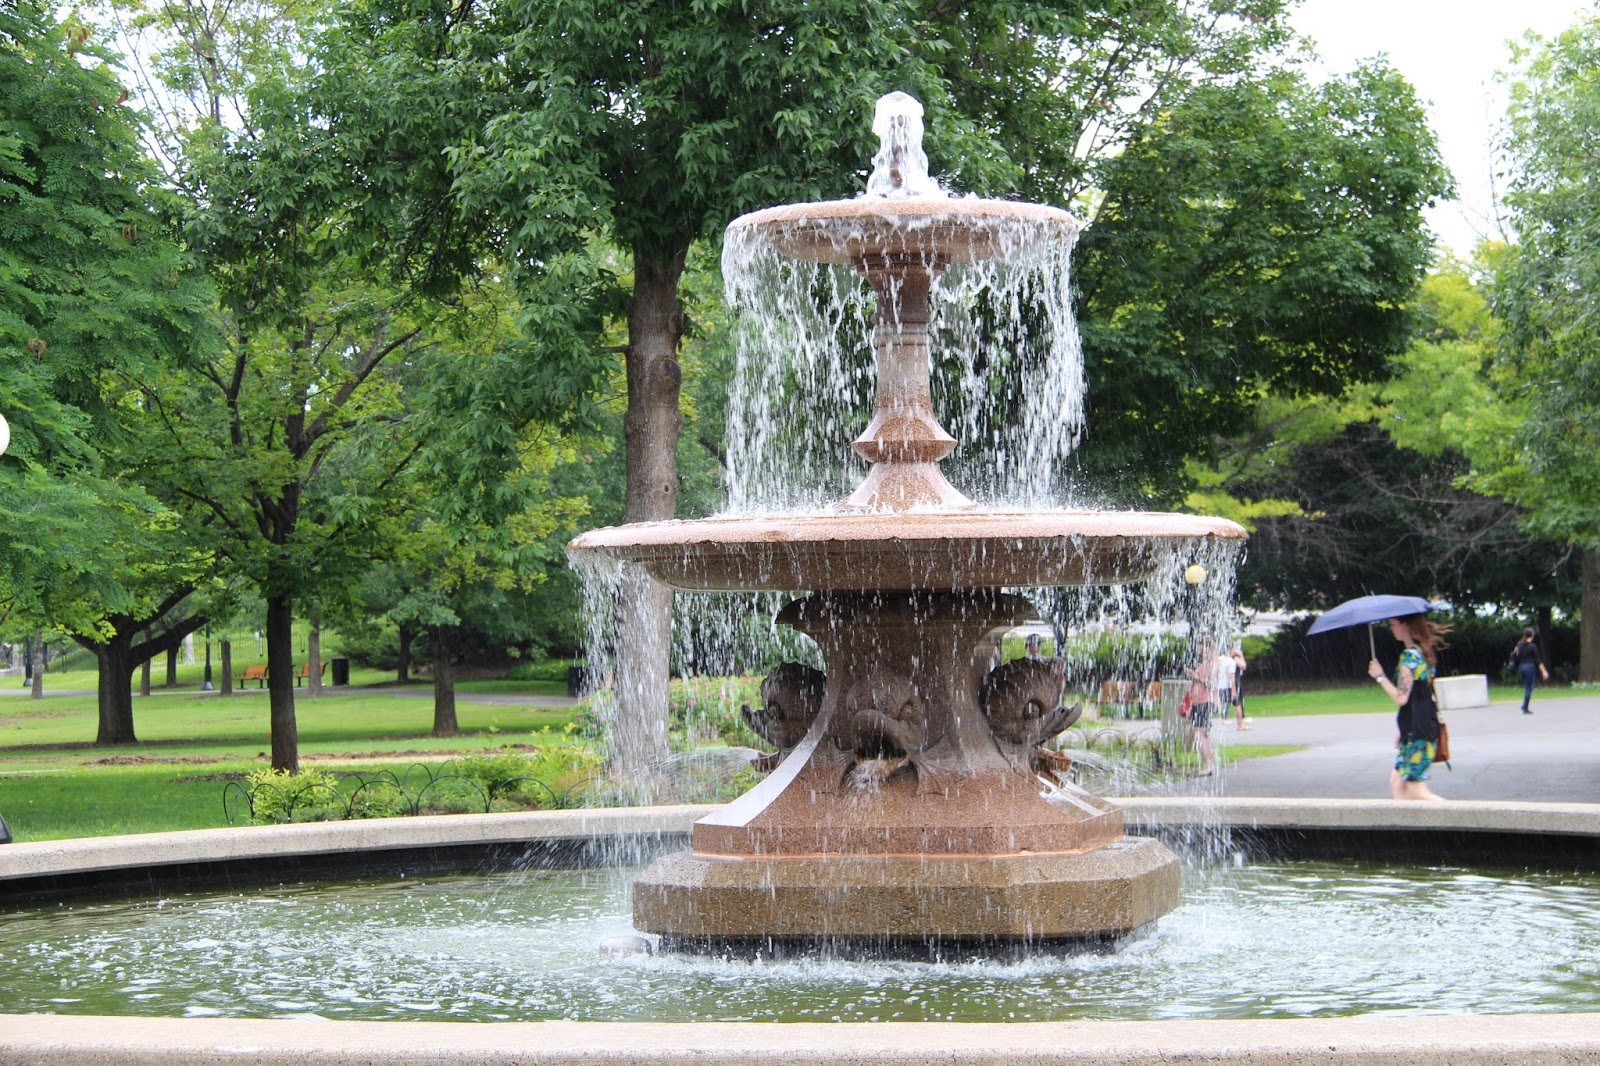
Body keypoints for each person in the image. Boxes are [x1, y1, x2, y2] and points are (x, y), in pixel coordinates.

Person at [1367, 613, 1449, 801]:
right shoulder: (1421, 653)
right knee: (1397, 782)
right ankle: (1405, 827)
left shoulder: (1410, 657)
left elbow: (1401, 697)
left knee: (1415, 789)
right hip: (1418, 728)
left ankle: (1461, 818)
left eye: (1393, 624)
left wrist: (1379, 676)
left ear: (1406, 625)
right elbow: (1418, 697)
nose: (1391, 628)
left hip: (1419, 732)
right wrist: (1403, 731)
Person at [1184, 640, 1231, 777]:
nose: (1200, 651)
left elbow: (1212, 685)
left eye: (1202, 648)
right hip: (1200, 701)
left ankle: (1208, 765)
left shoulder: (1214, 664)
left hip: (1206, 701)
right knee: (1202, 734)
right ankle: (1209, 763)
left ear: (1209, 648)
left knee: (1199, 733)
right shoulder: (1206, 664)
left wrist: (1195, 677)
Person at [1508, 627, 1550, 715]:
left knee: (1528, 686)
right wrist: (1544, 671)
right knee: (1529, 687)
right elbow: (1537, 660)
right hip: (1529, 667)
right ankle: (1525, 707)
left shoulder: (1519, 645)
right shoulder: (1532, 646)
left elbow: (1515, 655)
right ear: (1532, 636)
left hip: (1521, 667)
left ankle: (1525, 705)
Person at [1228, 643, 1250, 730]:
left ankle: (1240, 723)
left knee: (1238, 702)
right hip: (1235, 681)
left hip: (1232, 681)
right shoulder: (1235, 658)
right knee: (1238, 703)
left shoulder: (1226, 658)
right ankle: (1240, 725)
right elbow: (1243, 666)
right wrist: (1241, 655)